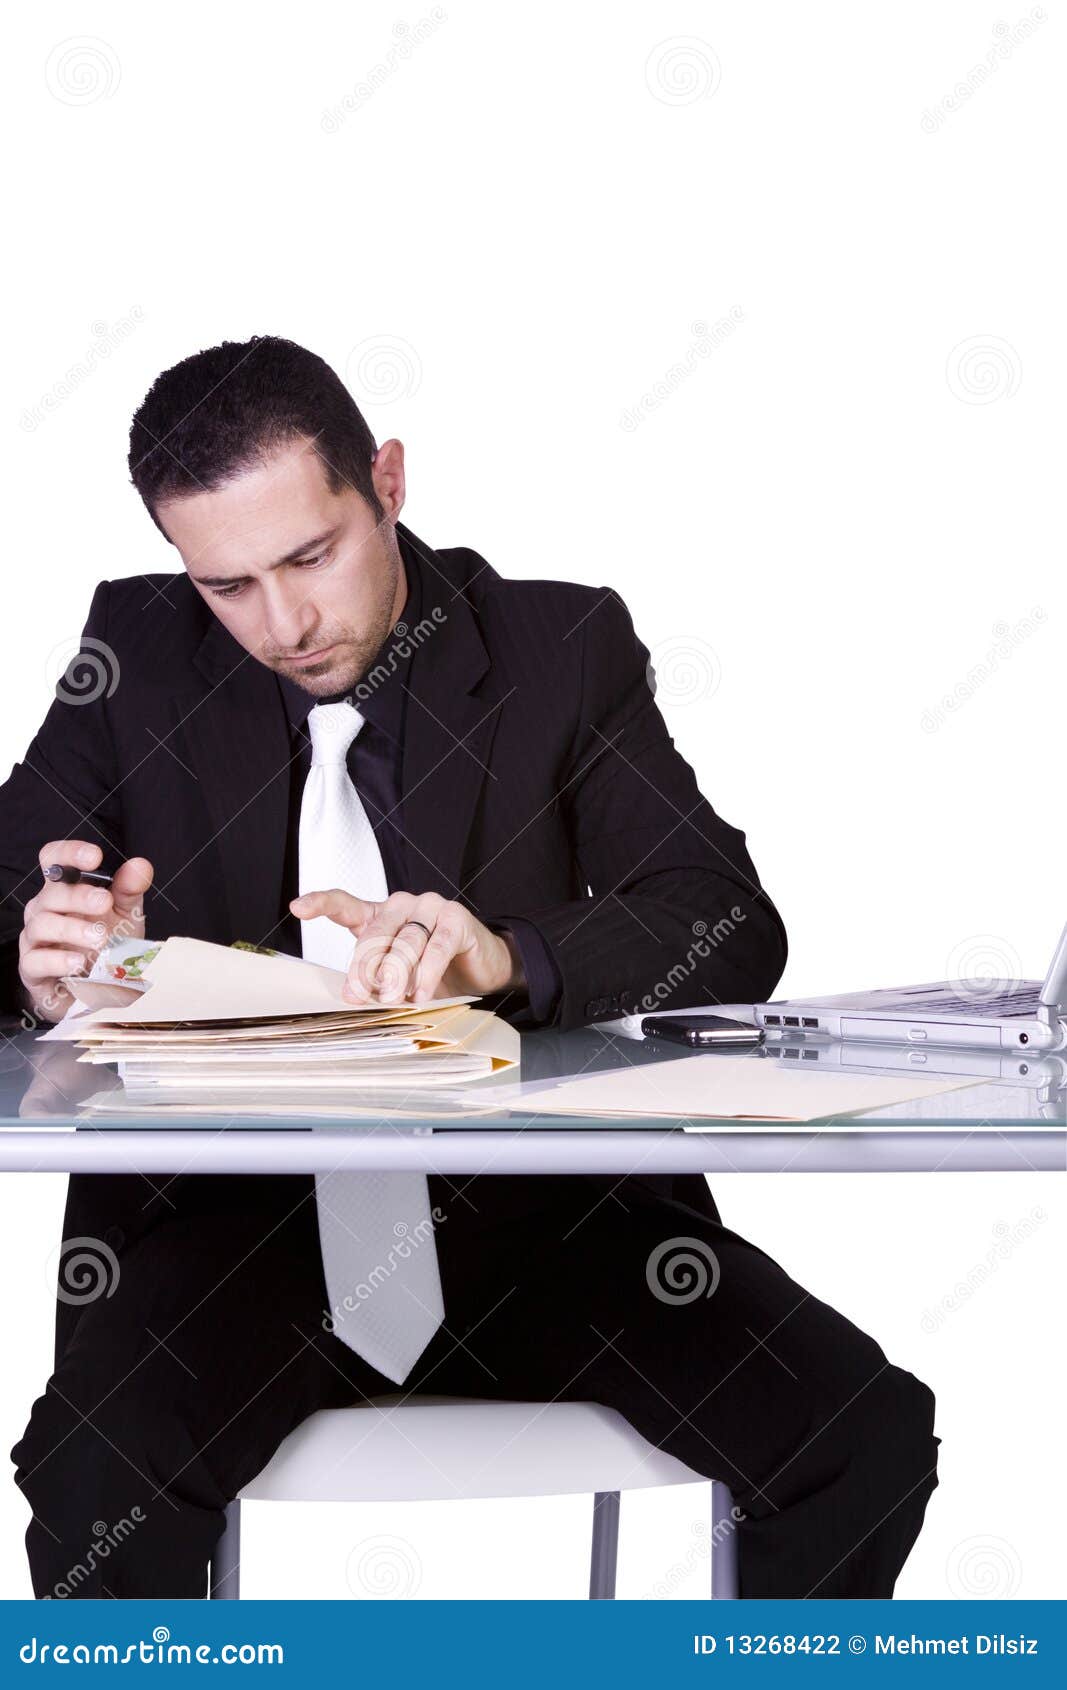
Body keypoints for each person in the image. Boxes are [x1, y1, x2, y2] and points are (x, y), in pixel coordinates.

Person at [0, 335, 938, 1598]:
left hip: (543, 1231)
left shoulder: (561, 646)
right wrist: (35, 961)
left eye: (309, 556)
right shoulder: (137, 649)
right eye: (226, 585)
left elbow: (722, 916)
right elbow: (10, 884)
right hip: (224, 1244)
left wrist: (511, 954)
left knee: (858, 1436)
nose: (281, 625)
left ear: (386, 481)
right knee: (92, 1477)